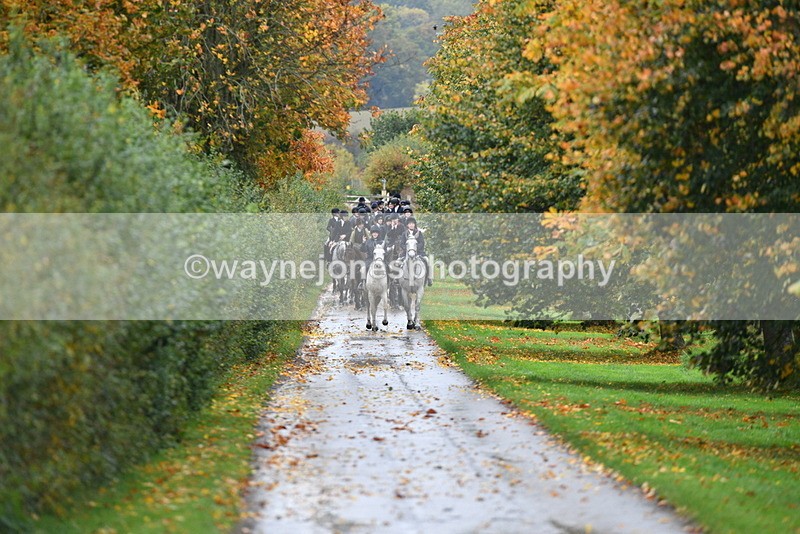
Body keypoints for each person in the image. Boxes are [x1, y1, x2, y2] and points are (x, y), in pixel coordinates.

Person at [401, 217, 432, 286]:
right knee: (397, 262)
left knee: (427, 261)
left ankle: (429, 278)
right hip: (406, 253)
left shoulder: (419, 233)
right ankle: (397, 279)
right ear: (407, 225)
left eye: (412, 224)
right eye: (410, 224)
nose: (411, 225)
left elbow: (422, 243)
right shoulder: (404, 234)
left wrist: (415, 249)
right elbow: (402, 243)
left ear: (414, 225)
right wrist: (408, 249)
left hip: (418, 252)